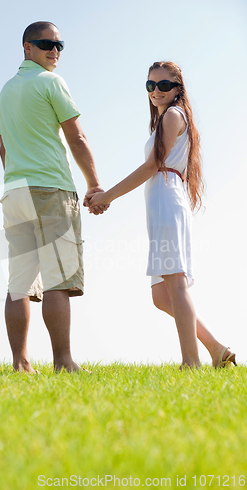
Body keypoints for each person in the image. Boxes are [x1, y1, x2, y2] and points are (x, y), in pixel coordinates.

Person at [87, 61, 236, 369]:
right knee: (162, 296)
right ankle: (216, 348)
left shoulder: (172, 115)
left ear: (177, 89)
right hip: (162, 205)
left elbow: (153, 164)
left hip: (168, 202)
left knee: (176, 284)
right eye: (150, 85)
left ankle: (190, 362)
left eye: (164, 85)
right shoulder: (164, 119)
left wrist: (107, 196)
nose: (156, 91)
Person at [0, 21, 107, 373]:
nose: (54, 51)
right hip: (51, 190)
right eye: (46, 44)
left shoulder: (4, 92)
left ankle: (20, 363)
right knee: (58, 280)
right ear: (27, 47)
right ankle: (63, 362)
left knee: (19, 285)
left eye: (59, 45)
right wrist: (94, 184)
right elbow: (77, 139)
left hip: (14, 193)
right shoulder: (51, 83)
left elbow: (3, 150)